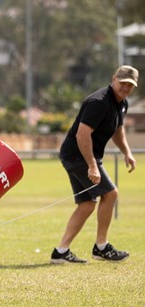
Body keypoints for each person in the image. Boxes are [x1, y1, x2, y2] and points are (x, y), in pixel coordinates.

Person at [50, 65, 138, 264]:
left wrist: (127, 152)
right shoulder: (98, 102)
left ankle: (61, 251)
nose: (125, 87)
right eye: (122, 82)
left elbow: (118, 130)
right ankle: (101, 247)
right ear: (113, 78)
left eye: (130, 85)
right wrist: (92, 165)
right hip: (78, 156)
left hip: (80, 156)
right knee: (110, 193)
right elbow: (82, 134)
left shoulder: (122, 103)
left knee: (87, 204)